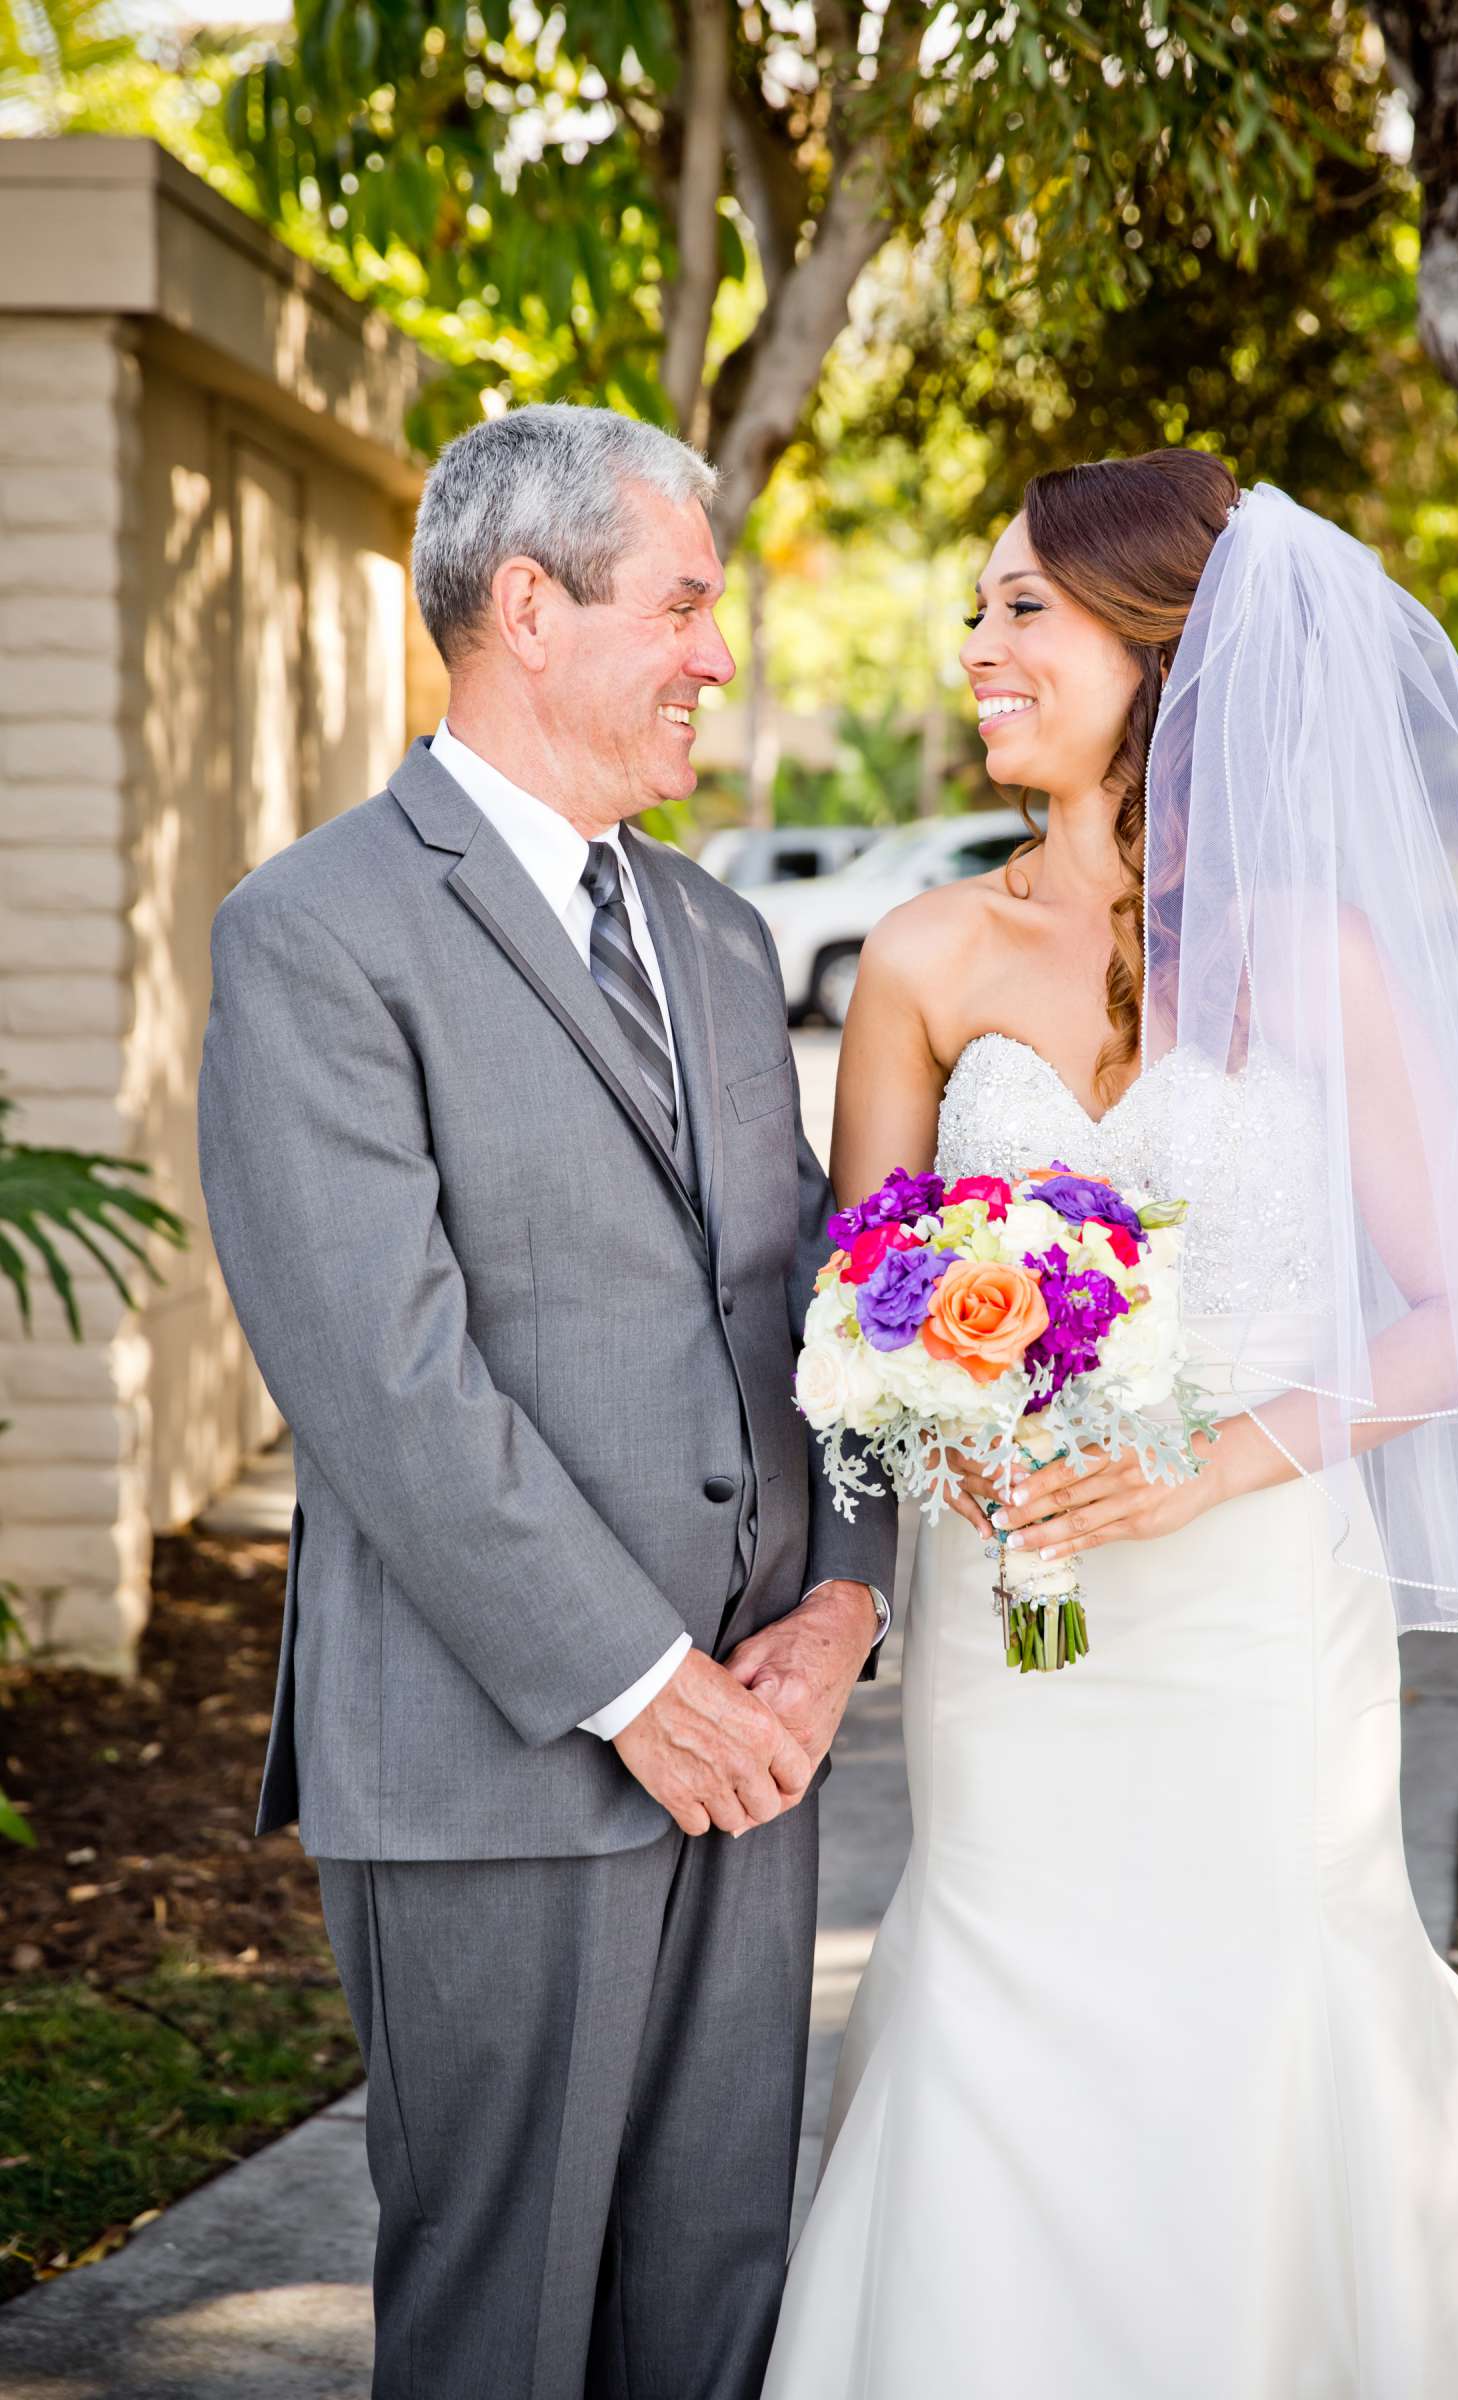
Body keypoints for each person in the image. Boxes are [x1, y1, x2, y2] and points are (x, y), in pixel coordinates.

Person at [762, 451, 1458, 2397]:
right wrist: (934, 1423)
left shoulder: (1308, 956)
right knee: (994, 1978)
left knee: (1254, 2001)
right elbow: (859, 1287)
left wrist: (1204, 1464)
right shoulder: (918, 954)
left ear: (1159, 649)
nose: (972, 646)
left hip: (1242, 1601)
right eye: (971, 605)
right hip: (1009, 1604)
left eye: (1018, 610)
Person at [196, 401, 897, 2400]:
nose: (716, 652)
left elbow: (816, 1305)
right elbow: (379, 1375)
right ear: (528, 604)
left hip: (755, 1757)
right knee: (503, 2326)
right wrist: (635, 1686)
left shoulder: (715, 931)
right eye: (684, 602)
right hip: (501, 1761)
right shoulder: (319, 932)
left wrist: (840, 1602)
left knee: (711, 2295)